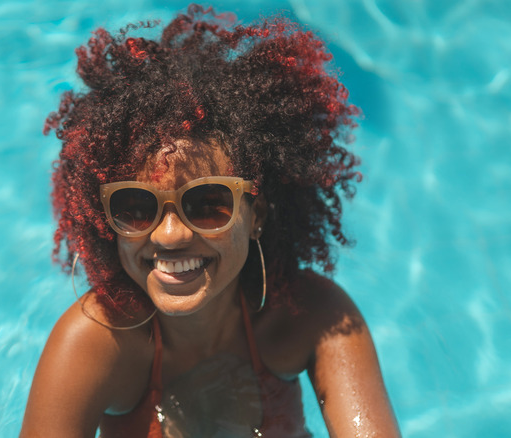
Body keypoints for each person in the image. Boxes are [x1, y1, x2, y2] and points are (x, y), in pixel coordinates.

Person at [21, 5, 400, 437]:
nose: (169, 235)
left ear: (255, 214)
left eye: (206, 203)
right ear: (106, 220)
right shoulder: (97, 344)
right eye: (137, 207)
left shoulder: (308, 317)